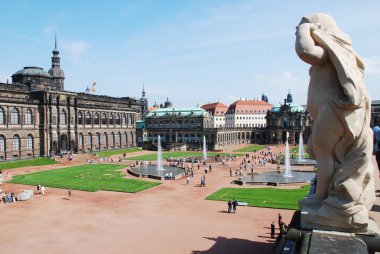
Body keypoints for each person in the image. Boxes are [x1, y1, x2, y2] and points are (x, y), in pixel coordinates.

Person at [295, 13, 375, 230]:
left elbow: (304, 51)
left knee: (323, 152)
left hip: (333, 110)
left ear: (320, 29)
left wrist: (304, 29)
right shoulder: (333, 53)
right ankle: (324, 195)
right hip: (331, 110)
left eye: (302, 26)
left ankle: (321, 196)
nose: (298, 30)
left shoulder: (328, 52)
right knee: (320, 150)